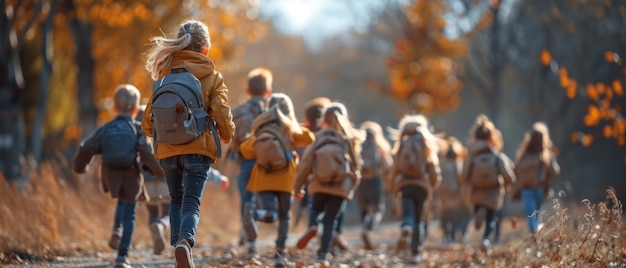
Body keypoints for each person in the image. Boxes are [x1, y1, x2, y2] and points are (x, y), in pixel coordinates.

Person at [142, 19, 235, 268]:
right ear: (205, 49)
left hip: (167, 150)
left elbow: (147, 122)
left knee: (175, 199)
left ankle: (179, 251)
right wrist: (226, 135)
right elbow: (222, 113)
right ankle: (185, 243)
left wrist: (160, 135)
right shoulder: (212, 76)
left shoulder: (164, 75)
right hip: (198, 148)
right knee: (191, 202)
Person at [73, 84, 165, 268]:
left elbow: (86, 147)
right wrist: (159, 173)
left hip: (110, 174)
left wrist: (80, 167)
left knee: (120, 202)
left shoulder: (106, 128)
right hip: (131, 174)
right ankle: (122, 257)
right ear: (137, 109)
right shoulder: (138, 129)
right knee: (130, 212)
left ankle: (116, 229)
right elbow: (146, 154)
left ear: (114, 108)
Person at [240, 93, 315, 267]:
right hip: (285, 181)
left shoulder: (260, 128)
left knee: (269, 211)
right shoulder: (290, 129)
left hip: (263, 179)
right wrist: (295, 125)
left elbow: (246, 150)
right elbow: (309, 138)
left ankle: (257, 214)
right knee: (284, 216)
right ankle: (280, 254)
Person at [294, 102, 363, 266]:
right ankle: (322, 256)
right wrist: (352, 184)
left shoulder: (318, 138)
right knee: (330, 222)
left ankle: (312, 225)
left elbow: (305, 165)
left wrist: (297, 188)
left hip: (319, 184)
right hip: (340, 187)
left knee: (315, 209)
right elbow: (357, 166)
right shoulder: (347, 140)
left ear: (323, 121)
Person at [387, 114, 442, 264]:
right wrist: (433, 184)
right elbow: (433, 168)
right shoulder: (425, 143)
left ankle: (406, 227)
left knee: (408, 216)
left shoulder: (402, 144)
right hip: (422, 187)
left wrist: (392, 185)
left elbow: (394, 167)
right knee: (419, 220)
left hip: (405, 185)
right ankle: (415, 253)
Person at [229, 67, 272, 251]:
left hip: (245, 161)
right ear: (268, 91)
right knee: (265, 199)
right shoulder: (273, 111)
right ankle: (255, 234)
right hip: (269, 164)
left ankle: (250, 240)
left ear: (247, 91)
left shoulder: (239, 111)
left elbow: (233, 139)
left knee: (247, 200)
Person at [459, 114, 515, 252]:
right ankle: (485, 239)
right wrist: (509, 183)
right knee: (491, 218)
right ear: (491, 137)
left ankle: (479, 211)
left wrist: (465, 181)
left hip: (476, 190)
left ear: (475, 136)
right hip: (493, 191)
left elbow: (463, 175)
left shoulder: (471, 155)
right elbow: (508, 175)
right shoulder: (496, 155)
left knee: (479, 207)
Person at [512, 122, 560, 234]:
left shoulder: (524, 154)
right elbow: (556, 171)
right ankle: (536, 234)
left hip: (526, 189)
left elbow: (515, 169)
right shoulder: (546, 155)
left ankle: (534, 232)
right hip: (540, 189)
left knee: (531, 214)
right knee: (537, 213)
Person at [293, 97, 331, 229]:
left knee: (312, 204)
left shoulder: (303, 133)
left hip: (308, 177)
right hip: (329, 175)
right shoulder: (329, 133)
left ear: (307, 118)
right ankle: (328, 231)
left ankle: (312, 225)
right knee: (329, 207)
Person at [355, 121, 392, 250]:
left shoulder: (357, 145)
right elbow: (387, 166)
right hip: (375, 181)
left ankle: (363, 228)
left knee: (363, 209)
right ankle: (368, 229)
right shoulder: (380, 147)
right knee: (378, 209)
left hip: (361, 182)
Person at [434, 136, 471, 244]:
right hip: (456, 196)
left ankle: (446, 237)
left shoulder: (442, 166)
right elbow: (462, 179)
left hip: (443, 198)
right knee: (457, 217)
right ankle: (455, 236)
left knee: (445, 218)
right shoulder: (458, 165)